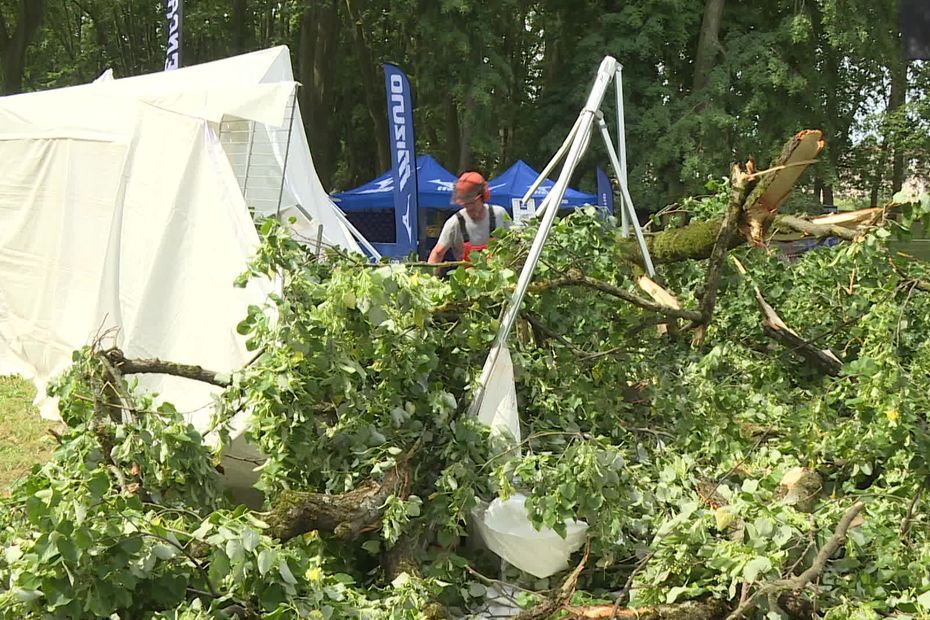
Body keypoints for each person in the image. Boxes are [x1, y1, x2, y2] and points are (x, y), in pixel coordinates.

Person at [427, 171, 511, 268]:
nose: (469, 208)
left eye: (471, 203)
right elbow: (438, 253)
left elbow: (515, 243)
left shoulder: (499, 214)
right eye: (465, 205)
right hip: (468, 280)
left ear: (483, 196)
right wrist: (430, 278)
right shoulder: (454, 223)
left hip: (500, 277)